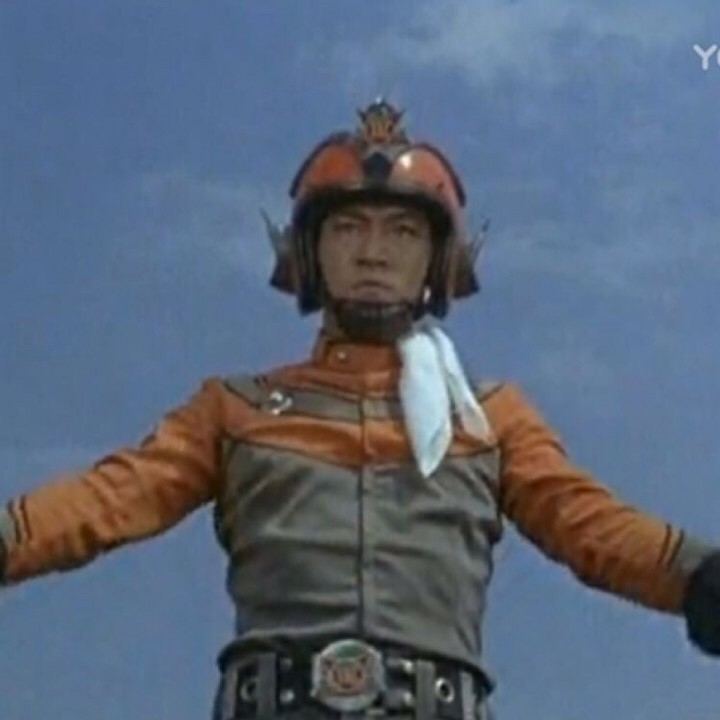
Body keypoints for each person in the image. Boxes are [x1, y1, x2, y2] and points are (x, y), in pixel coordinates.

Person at [1, 99, 719, 720]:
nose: (374, 252)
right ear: (312, 252)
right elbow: (108, 498)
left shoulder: (488, 418)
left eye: (402, 231)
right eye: (348, 228)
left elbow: (586, 523)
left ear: (437, 259)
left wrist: (699, 574)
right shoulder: (237, 409)